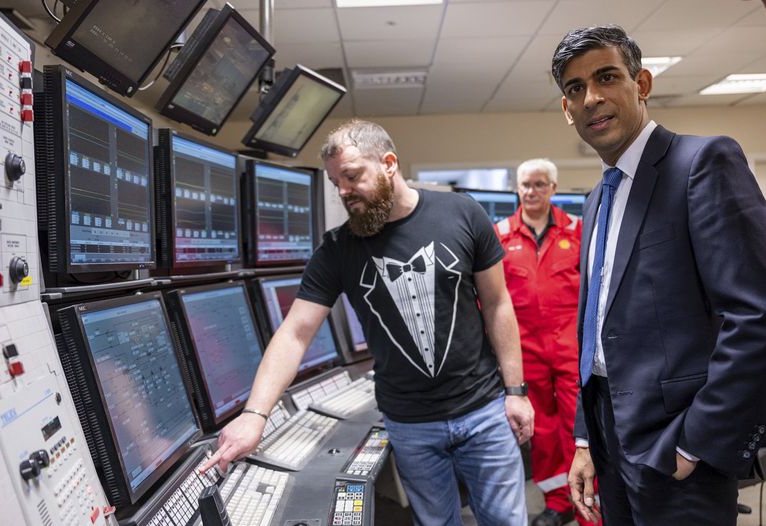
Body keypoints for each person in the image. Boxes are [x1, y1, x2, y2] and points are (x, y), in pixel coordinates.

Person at [202, 119, 535, 526]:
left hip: (483, 410)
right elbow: (295, 333)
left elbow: (498, 303)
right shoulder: (339, 248)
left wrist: (515, 389)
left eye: (352, 176)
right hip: (410, 424)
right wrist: (255, 414)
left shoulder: (462, 213)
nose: (342, 190)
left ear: (389, 163)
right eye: (335, 181)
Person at [550, 25, 766, 525]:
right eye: (575, 89)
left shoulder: (701, 163)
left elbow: (755, 315)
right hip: (607, 435)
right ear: (566, 109)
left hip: (678, 442)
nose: (592, 98)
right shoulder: (597, 196)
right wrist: (585, 439)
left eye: (607, 77)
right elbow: (595, 333)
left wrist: (699, 440)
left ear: (641, 84)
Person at [495, 159, 596, 526]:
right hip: (525, 353)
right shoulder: (500, 234)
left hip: (571, 350)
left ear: (553, 188)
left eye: (539, 184)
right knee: (541, 431)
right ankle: (558, 501)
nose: (531, 191)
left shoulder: (579, 230)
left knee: (581, 428)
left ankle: (589, 504)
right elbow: (488, 298)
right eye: (525, 184)